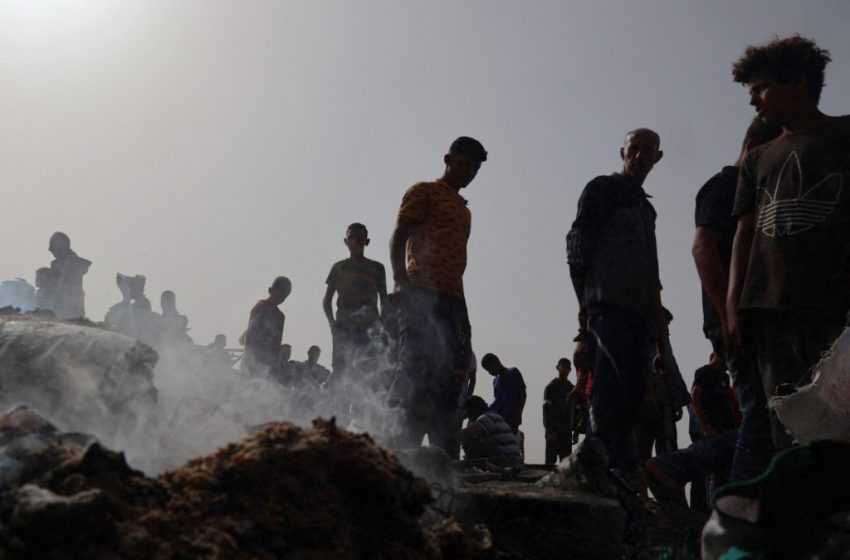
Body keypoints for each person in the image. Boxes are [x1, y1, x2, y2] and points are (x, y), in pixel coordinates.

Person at [725, 36, 848, 461]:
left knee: (841, 423)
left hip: (836, 308)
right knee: (787, 430)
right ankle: (800, 522)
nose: (753, 100)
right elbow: (744, 234)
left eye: (761, 88)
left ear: (797, 82)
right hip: (770, 311)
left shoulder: (845, 134)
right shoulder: (759, 159)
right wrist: (733, 305)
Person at [566, 128, 668, 477]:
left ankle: (619, 493)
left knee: (631, 413)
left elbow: (652, 278)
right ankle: (592, 486)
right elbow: (577, 254)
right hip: (606, 315)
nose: (640, 156)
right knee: (606, 411)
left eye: (647, 151)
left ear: (658, 158)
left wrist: (661, 344)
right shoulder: (602, 189)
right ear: (621, 152)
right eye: (633, 149)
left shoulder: (646, 210)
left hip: (639, 322)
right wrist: (585, 324)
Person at [388, 136, 486, 453]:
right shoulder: (424, 192)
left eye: (475, 167)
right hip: (420, 293)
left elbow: (457, 271)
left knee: (451, 379)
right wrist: (400, 280)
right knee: (415, 371)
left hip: (452, 300)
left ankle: (443, 462)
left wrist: (466, 324)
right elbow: (400, 233)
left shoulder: (464, 212)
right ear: (448, 159)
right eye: (465, 163)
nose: (470, 171)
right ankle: (405, 455)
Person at [323, 223, 388, 385]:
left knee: (368, 375)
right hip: (344, 327)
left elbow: (384, 300)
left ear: (367, 241)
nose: (356, 241)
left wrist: (383, 325)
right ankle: (334, 409)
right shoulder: (339, 268)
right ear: (346, 241)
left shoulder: (377, 268)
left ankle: (363, 410)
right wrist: (332, 324)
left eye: (360, 238)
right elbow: (327, 300)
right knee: (341, 372)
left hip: (370, 329)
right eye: (352, 237)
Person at [636, 308, 690, 466]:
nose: (667, 327)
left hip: (656, 404)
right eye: (666, 323)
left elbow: (672, 370)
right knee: (659, 454)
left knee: (649, 454)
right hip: (654, 404)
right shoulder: (654, 342)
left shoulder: (656, 342)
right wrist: (678, 400)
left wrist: (679, 400)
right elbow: (670, 369)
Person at [242, 276, 291, 377]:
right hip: (253, 361)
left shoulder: (280, 316)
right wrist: (252, 361)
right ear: (270, 290)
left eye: (285, 296)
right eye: (280, 292)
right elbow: (252, 335)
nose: (282, 297)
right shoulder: (260, 307)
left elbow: (277, 343)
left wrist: (275, 365)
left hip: (268, 365)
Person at [460, 396, 522, 461]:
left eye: (468, 413)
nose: (469, 417)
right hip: (514, 457)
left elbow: (468, 432)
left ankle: (473, 462)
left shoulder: (484, 418)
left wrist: (452, 435)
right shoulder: (495, 416)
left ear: (473, 410)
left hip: (505, 458)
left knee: (468, 439)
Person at [46, 232, 91, 319]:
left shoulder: (75, 264)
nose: (50, 249)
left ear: (61, 246)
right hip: (57, 308)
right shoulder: (57, 264)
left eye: (52, 245)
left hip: (71, 310)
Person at [481, 353, 526, 435]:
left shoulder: (513, 372)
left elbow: (522, 393)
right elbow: (497, 399)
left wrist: (519, 413)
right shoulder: (495, 381)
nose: (489, 372)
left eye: (490, 369)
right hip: (499, 417)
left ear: (497, 362)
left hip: (512, 417)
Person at [543, 358, 576, 465]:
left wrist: (575, 431)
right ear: (558, 368)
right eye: (563, 367)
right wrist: (549, 430)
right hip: (553, 432)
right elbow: (546, 410)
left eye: (567, 368)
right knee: (549, 464)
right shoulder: (551, 387)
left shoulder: (572, 388)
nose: (565, 370)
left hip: (566, 433)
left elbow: (574, 411)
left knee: (565, 465)